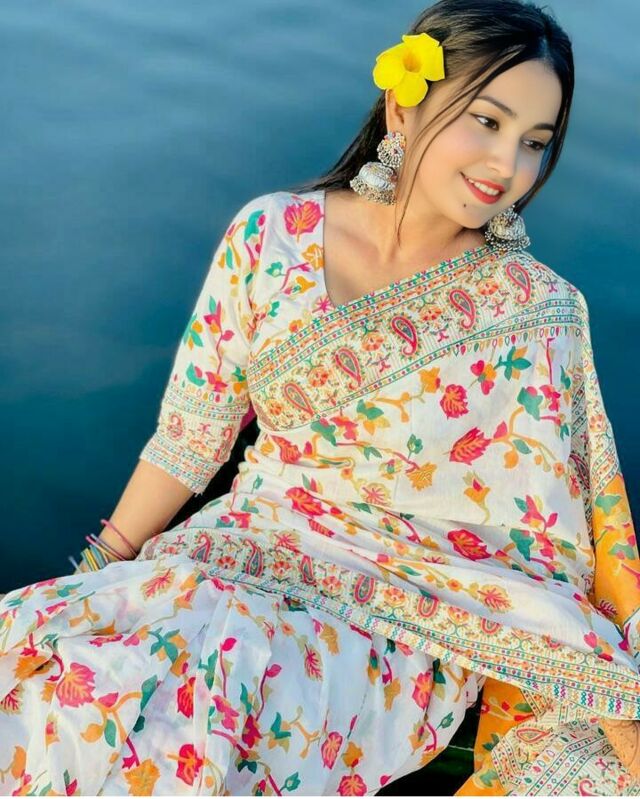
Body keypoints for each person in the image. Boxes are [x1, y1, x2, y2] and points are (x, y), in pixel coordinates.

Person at [1, 0, 639, 794]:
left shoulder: (534, 309)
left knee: (208, 703)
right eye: (487, 121)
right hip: (239, 549)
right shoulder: (272, 236)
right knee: (57, 669)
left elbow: (550, 529)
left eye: (535, 141)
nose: (507, 163)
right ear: (404, 105)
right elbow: (190, 441)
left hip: (399, 623)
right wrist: (95, 569)